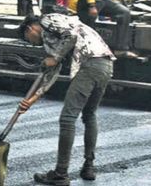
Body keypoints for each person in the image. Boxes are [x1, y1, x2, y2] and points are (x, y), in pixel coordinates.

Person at [18, 13, 114, 186]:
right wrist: (32, 99)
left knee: (67, 119)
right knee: (89, 115)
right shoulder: (55, 37)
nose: (32, 43)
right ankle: (88, 167)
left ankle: (60, 174)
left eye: (28, 39)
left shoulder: (47, 20)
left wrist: (54, 58)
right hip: (105, 65)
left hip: (90, 65)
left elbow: (71, 35)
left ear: (30, 28)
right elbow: (53, 72)